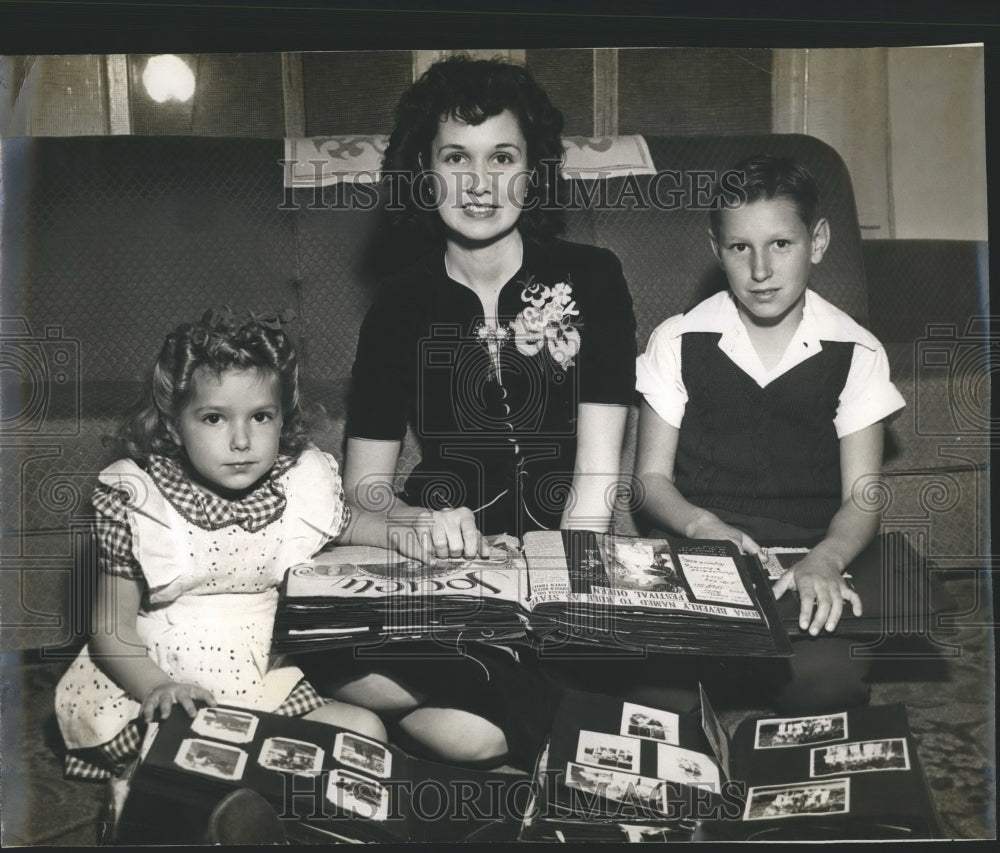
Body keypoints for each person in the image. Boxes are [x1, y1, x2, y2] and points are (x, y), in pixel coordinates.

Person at [314, 55, 637, 769]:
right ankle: (455, 696)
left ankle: (417, 708)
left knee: (486, 727)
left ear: (533, 170)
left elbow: (594, 483)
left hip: (557, 564)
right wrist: (417, 525)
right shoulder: (398, 306)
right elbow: (358, 498)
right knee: (352, 649)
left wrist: (560, 584)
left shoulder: (594, 278)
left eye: (504, 157)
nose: (480, 183)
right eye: (456, 157)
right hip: (445, 574)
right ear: (424, 173)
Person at [54, 308, 448, 786]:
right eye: (214, 418)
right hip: (166, 675)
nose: (241, 440)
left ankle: (276, 807)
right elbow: (109, 627)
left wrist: (411, 534)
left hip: (262, 670)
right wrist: (157, 685)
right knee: (185, 773)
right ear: (176, 426)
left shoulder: (298, 484)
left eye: (261, 417)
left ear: (283, 420)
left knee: (364, 731)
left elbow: (353, 524)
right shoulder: (138, 499)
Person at [634, 154, 906, 714]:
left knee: (828, 687)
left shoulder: (856, 351)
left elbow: (862, 496)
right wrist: (703, 525)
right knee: (651, 697)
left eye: (781, 244)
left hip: (809, 555)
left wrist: (827, 559)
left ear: (818, 241)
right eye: (740, 248)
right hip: (701, 552)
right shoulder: (678, 339)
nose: (760, 270)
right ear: (717, 249)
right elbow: (651, 480)